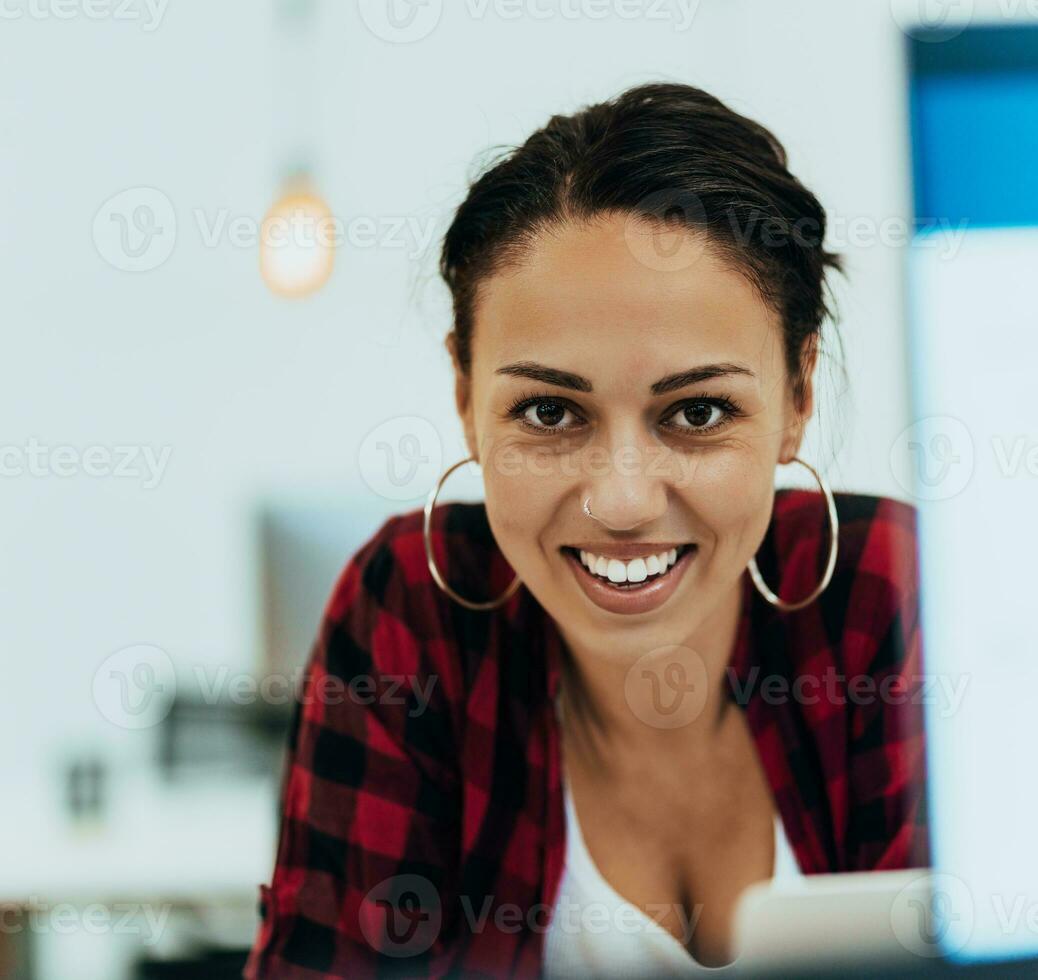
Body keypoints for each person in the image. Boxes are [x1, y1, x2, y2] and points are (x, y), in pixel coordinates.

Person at [243, 81, 927, 980]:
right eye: (549, 411)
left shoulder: (899, 589)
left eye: (696, 412)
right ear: (464, 395)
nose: (623, 499)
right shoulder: (410, 613)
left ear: (797, 396)